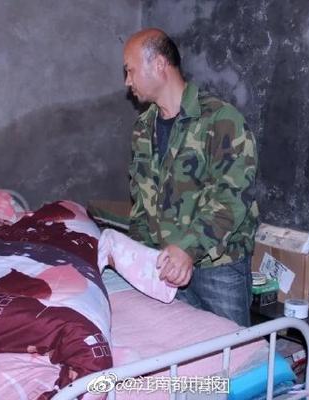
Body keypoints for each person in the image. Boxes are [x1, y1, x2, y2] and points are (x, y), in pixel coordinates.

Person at [123, 28, 260, 326]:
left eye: (130, 70)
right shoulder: (143, 128)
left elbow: (233, 197)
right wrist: (139, 256)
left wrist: (188, 247)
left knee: (231, 349)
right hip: (164, 266)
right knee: (177, 345)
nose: (127, 81)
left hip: (217, 266)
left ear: (159, 64)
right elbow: (141, 202)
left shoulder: (220, 119)